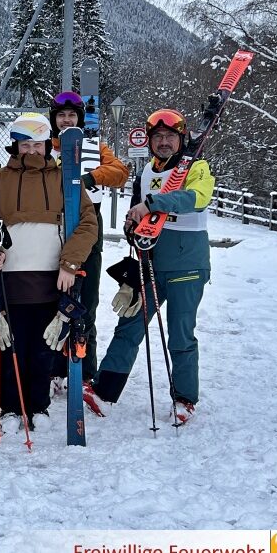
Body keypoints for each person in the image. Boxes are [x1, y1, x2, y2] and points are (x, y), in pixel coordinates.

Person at [85, 109, 214, 426]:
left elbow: (197, 198)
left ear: (181, 139)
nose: (165, 142)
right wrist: (133, 226)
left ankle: (184, 399)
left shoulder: (196, 167)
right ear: (151, 140)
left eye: (171, 136)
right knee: (128, 325)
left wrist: (155, 204)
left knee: (180, 335)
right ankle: (104, 390)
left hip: (186, 265)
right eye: (158, 137)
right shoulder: (145, 174)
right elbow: (136, 214)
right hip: (151, 264)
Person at [0, 112, 98, 433]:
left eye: (38, 145)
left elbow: (87, 223)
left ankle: (38, 405)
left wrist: (70, 263)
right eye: (25, 144)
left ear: (48, 145)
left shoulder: (64, 179)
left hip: (52, 277)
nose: (32, 151)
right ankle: (11, 407)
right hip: (10, 277)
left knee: (46, 345)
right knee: (11, 342)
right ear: (15, 146)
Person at [48, 91, 129, 387]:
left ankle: (84, 368)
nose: (66, 120)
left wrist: (90, 177)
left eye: (72, 115)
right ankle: (55, 367)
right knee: (54, 294)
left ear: (80, 118)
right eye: (61, 116)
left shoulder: (94, 147)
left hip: (87, 220)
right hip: (53, 222)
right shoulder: (46, 146)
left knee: (86, 296)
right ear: (54, 120)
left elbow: (120, 172)